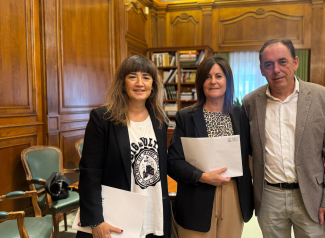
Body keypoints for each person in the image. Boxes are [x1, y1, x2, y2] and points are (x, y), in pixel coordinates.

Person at [242, 39, 325, 238]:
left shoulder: (322, 97)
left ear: (295, 62)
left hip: (311, 196)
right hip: (269, 197)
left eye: (283, 62)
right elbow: (246, 149)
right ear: (262, 70)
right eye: (268, 65)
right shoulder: (250, 103)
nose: (276, 70)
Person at [77, 55, 171, 238]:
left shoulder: (160, 121)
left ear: (153, 85)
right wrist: (96, 220)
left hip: (153, 214)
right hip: (116, 217)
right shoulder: (102, 119)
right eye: (132, 76)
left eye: (146, 77)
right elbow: (90, 172)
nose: (139, 83)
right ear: (122, 82)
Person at [167, 56, 254, 238]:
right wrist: (202, 176)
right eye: (207, 77)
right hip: (196, 195)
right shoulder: (186, 116)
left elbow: (250, 154)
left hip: (233, 195)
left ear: (227, 81)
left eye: (219, 76)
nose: (213, 81)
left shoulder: (240, 115)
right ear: (201, 82)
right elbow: (173, 162)